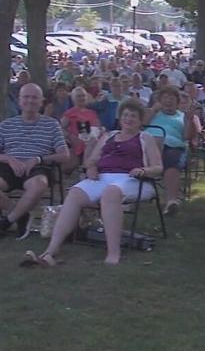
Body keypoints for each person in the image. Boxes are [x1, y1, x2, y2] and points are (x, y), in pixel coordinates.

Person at [22, 99, 163, 266]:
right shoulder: (109, 136)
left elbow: (158, 167)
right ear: (120, 118)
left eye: (133, 116)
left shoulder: (145, 138)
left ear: (140, 121)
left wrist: (144, 171)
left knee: (111, 192)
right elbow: (92, 160)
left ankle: (113, 253)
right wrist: (90, 168)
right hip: (102, 177)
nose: (128, 119)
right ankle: (50, 251)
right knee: (75, 193)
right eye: (125, 115)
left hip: (133, 179)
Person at [0, 83, 71, 241]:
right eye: (26, 97)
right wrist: (8, 158)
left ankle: (5, 222)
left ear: (42, 102)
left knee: (39, 183)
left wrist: (38, 159)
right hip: (8, 169)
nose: (30, 101)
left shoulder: (51, 125)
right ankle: (21, 215)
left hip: (37, 169)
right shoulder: (7, 125)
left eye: (34, 97)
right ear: (19, 101)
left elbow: (64, 155)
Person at [145, 87, 195, 215]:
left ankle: (171, 201)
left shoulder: (183, 116)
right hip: (148, 146)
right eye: (165, 98)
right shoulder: (153, 113)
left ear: (177, 102)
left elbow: (187, 136)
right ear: (159, 101)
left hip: (173, 147)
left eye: (172, 98)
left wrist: (189, 120)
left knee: (172, 162)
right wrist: (153, 109)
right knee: (155, 140)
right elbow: (141, 123)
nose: (168, 101)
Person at [61, 87, 102, 172]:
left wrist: (101, 130)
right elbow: (60, 128)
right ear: (73, 99)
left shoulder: (92, 112)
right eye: (78, 96)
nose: (81, 98)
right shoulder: (69, 113)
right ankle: (85, 168)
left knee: (96, 141)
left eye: (83, 96)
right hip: (77, 142)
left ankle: (86, 167)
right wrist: (70, 136)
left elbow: (99, 127)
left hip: (92, 140)